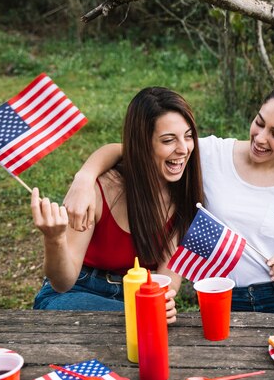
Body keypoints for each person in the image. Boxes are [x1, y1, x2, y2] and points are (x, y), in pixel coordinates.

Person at [63, 83, 274, 313]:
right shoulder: (210, 153)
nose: (260, 137)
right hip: (224, 295)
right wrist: (85, 176)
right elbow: (134, 150)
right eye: (259, 122)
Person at [31, 87, 204, 323]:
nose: (183, 149)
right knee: (130, 319)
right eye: (168, 140)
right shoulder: (100, 190)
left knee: (142, 323)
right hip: (77, 292)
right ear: (143, 144)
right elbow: (62, 283)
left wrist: (164, 303)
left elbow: (168, 279)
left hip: (135, 297)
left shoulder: (184, 194)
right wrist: (54, 239)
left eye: (187, 136)